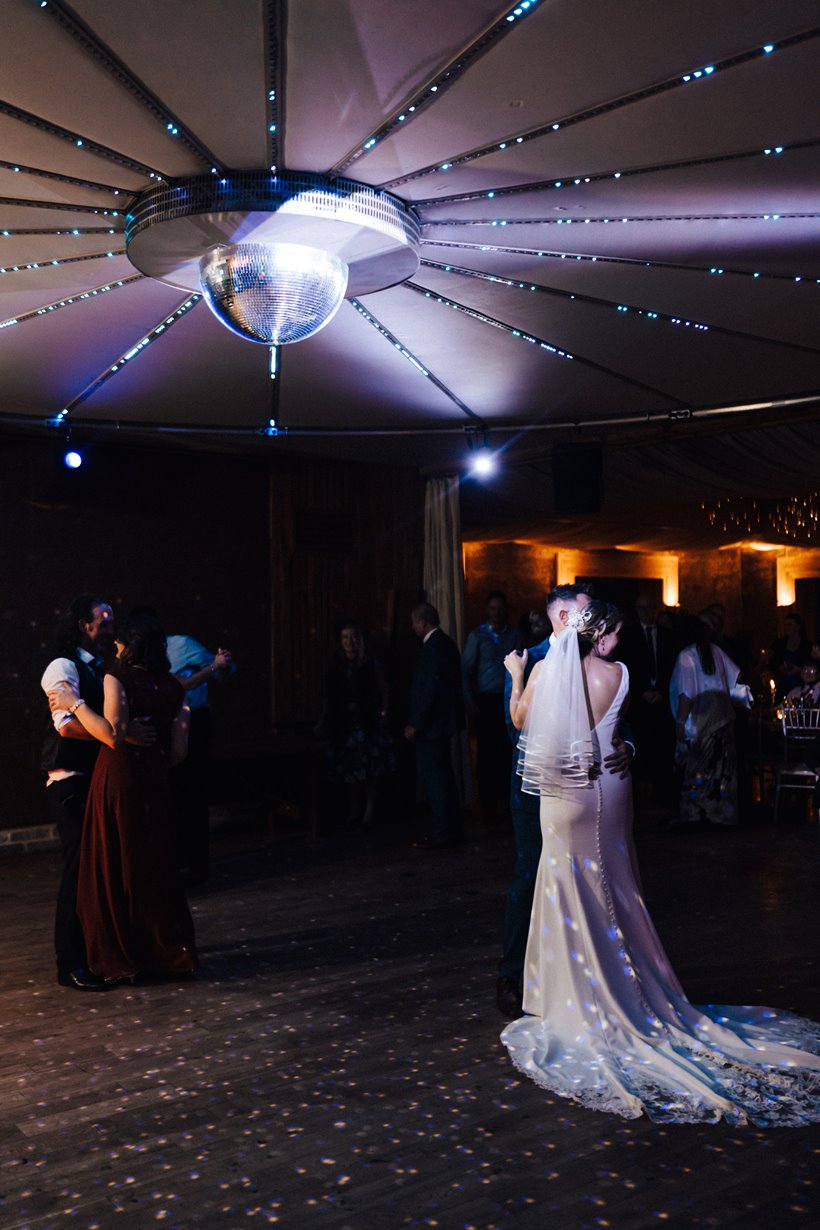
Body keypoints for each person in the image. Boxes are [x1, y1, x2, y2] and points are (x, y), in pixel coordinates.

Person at [500, 600, 820, 1125]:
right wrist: (624, 742)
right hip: (610, 789)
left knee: (571, 889)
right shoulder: (619, 673)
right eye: (615, 633)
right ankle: (627, 990)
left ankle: (579, 997)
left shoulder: (546, 670)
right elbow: (615, 729)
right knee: (616, 890)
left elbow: (522, 723)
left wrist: (514, 678)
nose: (620, 642)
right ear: (598, 634)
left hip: (565, 798)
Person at [497, 588, 634, 1018]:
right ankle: (514, 975)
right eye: (581, 612)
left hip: (578, 791)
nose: (586, 619)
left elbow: (619, 727)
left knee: (583, 878)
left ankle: (585, 978)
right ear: (561, 616)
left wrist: (629, 744)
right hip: (538, 787)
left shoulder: (568, 666)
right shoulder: (534, 656)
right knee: (533, 875)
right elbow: (515, 727)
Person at [48, 614, 198, 983]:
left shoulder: (119, 676)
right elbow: (179, 752)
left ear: (127, 645)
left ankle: (120, 953)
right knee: (153, 863)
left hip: (121, 777)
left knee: (115, 863)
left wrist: (75, 702)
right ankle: (161, 953)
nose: (113, 642)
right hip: (156, 780)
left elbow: (112, 735)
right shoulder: (173, 687)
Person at [41, 594, 153, 990]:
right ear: (81, 626)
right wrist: (113, 733)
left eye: (111, 621)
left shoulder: (104, 667)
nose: (109, 628)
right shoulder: (63, 666)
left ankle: (97, 951)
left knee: (98, 870)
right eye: (102, 621)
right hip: (71, 779)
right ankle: (69, 962)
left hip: (97, 778)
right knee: (77, 870)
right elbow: (66, 725)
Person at [165, 629, 234, 883]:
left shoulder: (181, 645)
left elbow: (223, 672)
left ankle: (196, 862)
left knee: (193, 791)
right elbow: (177, 684)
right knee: (174, 793)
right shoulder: (142, 657)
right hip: (169, 722)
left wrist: (220, 665)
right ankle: (179, 859)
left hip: (195, 719)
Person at [316, 619, 395, 830]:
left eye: (352, 637)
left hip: (368, 721)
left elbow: (383, 688)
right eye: (344, 637)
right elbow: (330, 697)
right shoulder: (337, 664)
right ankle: (354, 810)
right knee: (351, 769)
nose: (348, 641)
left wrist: (383, 712)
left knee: (370, 768)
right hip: (346, 723)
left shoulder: (369, 663)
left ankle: (370, 810)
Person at [670, 615, 744, 827]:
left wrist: (680, 722)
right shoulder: (716, 651)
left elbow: (686, 693)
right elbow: (735, 676)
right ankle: (721, 816)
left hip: (701, 718)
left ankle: (696, 817)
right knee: (722, 769)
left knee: (698, 768)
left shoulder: (686, 655)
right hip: (722, 714)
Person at [405, 602, 465, 848]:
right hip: (444, 724)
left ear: (422, 622)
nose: (412, 627)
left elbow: (428, 690)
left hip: (432, 726)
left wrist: (415, 723)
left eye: (414, 623)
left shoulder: (430, 649)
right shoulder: (447, 644)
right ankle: (451, 826)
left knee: (435, 778)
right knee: (444, 775)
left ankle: (442, 830)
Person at [462, 592, 523, 827]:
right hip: (486, 701)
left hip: (509, 700)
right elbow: (465, 671)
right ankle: (487, 810)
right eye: (492, 608)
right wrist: (470, 701)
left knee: (508, 754)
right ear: (487, 610)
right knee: (487, 756)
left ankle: (507, 807)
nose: (496, 612)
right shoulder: (477, 636)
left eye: (500, 608)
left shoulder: (515, 634)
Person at [618, 593, 676, 810]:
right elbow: (625, 666)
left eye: (649, 607)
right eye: (641, 608)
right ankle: (639, 799)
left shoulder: (668, 636)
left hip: (661, 701)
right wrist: (642, 690)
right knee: (640, 750)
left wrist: (660, 690)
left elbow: (671, 667)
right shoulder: (628, 635)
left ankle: (661, 798)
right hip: (639, 702)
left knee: (661, 749)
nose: (646, 612)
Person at [768, 613, 811, 699]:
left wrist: (799, 669)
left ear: (798, 626)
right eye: (785, 625)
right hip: (782, 684)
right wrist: (780, 667)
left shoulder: (806, 645)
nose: (787, 627)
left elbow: (811, 666)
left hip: (800, 684)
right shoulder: (779, 644)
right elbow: (772, 662)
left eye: (790, 624)